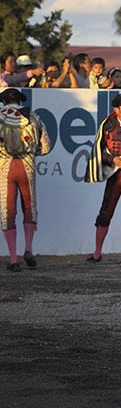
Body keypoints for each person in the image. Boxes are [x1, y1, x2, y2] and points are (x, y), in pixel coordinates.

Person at [84, 94, 121, 264]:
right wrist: (113, 159)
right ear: (116, 110)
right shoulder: (108, 125)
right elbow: (99, 150)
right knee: (106, 213)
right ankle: (97, 254)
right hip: (115, 174)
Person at [0, 89, 51, 271]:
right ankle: (28, 249)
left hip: (5, 167)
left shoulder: (0, 116)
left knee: (9, 211)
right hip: (27, 167)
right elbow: (46, 147)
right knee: (29, 207)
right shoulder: (33, 116)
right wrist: (30, 153)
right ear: (20, 101)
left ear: (4, 101)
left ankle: (13, 259)